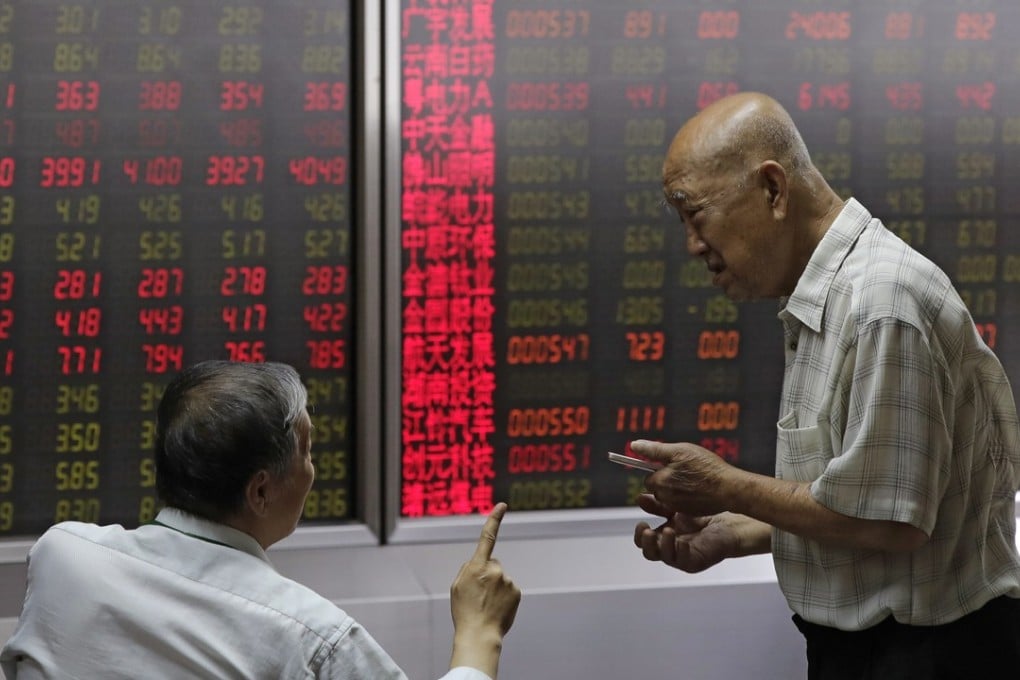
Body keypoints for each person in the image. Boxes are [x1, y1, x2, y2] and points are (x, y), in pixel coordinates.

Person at [632, 91, 1020, 678]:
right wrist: (734, 533)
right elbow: (859, 497)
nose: (692, 244)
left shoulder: (879, 303)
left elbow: (892, 521)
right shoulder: (833, 298)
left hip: (926, 658)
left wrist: (725, 486)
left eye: (695, 214)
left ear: (772, 189)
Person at [1, 360, 520, 679]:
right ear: (261, 490)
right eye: (307, 452)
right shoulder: (314, 639)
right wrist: (478, 634)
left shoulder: (62, 555)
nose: (313, 472)